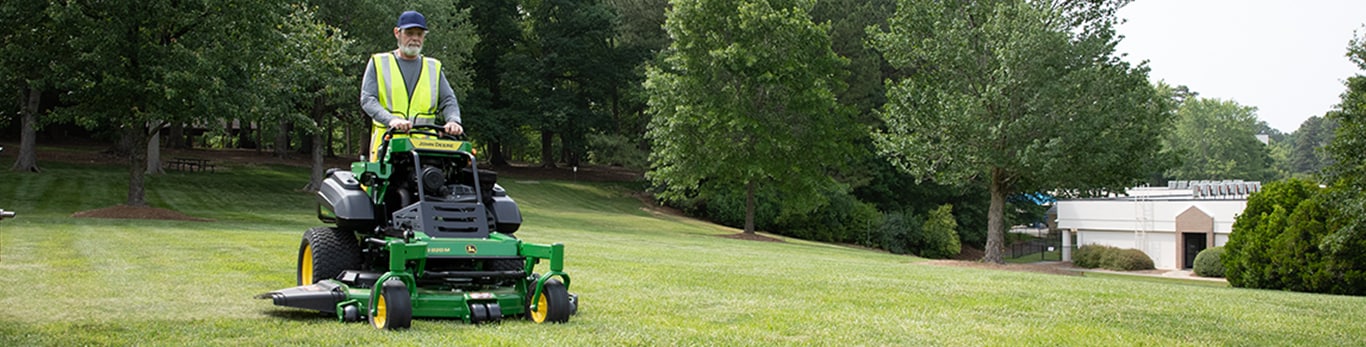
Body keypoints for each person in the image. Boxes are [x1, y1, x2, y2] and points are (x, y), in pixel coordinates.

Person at [360, 10, 464, 161]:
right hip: (388, 148)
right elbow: (368, 99)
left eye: (419, 34)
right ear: (397, 33)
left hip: (426, 149)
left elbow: (448, 99)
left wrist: (453, 120)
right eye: (409, 33)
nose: (415, 38)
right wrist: (391, 120)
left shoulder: (433, 67)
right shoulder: (379, 62)